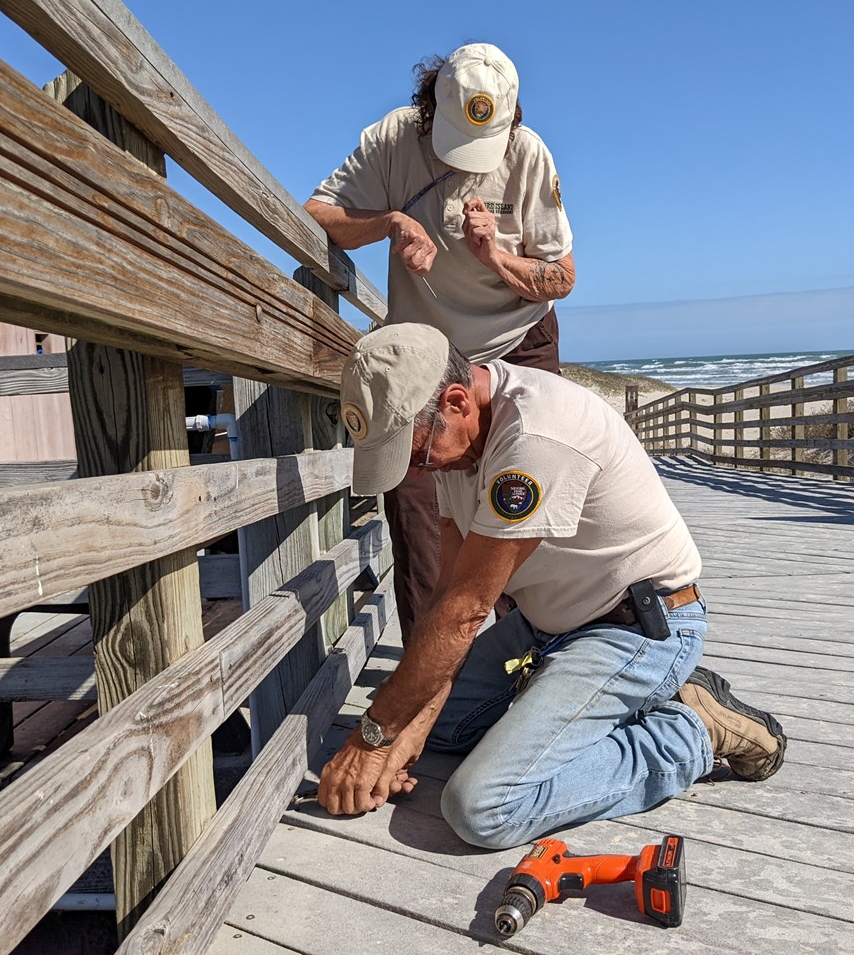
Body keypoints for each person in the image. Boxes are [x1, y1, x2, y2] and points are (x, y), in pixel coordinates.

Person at [318, 324, 786, 849]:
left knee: (482, 807)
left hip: (636, 627)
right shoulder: (457, 439)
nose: (415, 469)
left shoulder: (536, 434)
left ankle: (692, 733)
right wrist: (404, 733)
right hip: (544, 628)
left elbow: (469, 611)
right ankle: (616, 703)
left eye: (417, 455)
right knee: (434, 732)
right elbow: (451, 597)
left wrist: (371, 740)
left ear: (455, 401)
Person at [304, 43, 574, 645]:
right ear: (428, 108)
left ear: (510, 119)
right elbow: (318, 212)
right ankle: (430, 675)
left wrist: (497, 257)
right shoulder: (393, 139)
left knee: (524, 500)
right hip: (427, 355)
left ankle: (529, 651)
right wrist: (390, 222)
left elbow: (563, 277)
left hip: (518, 340)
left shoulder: (529, 155)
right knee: (416, 505)